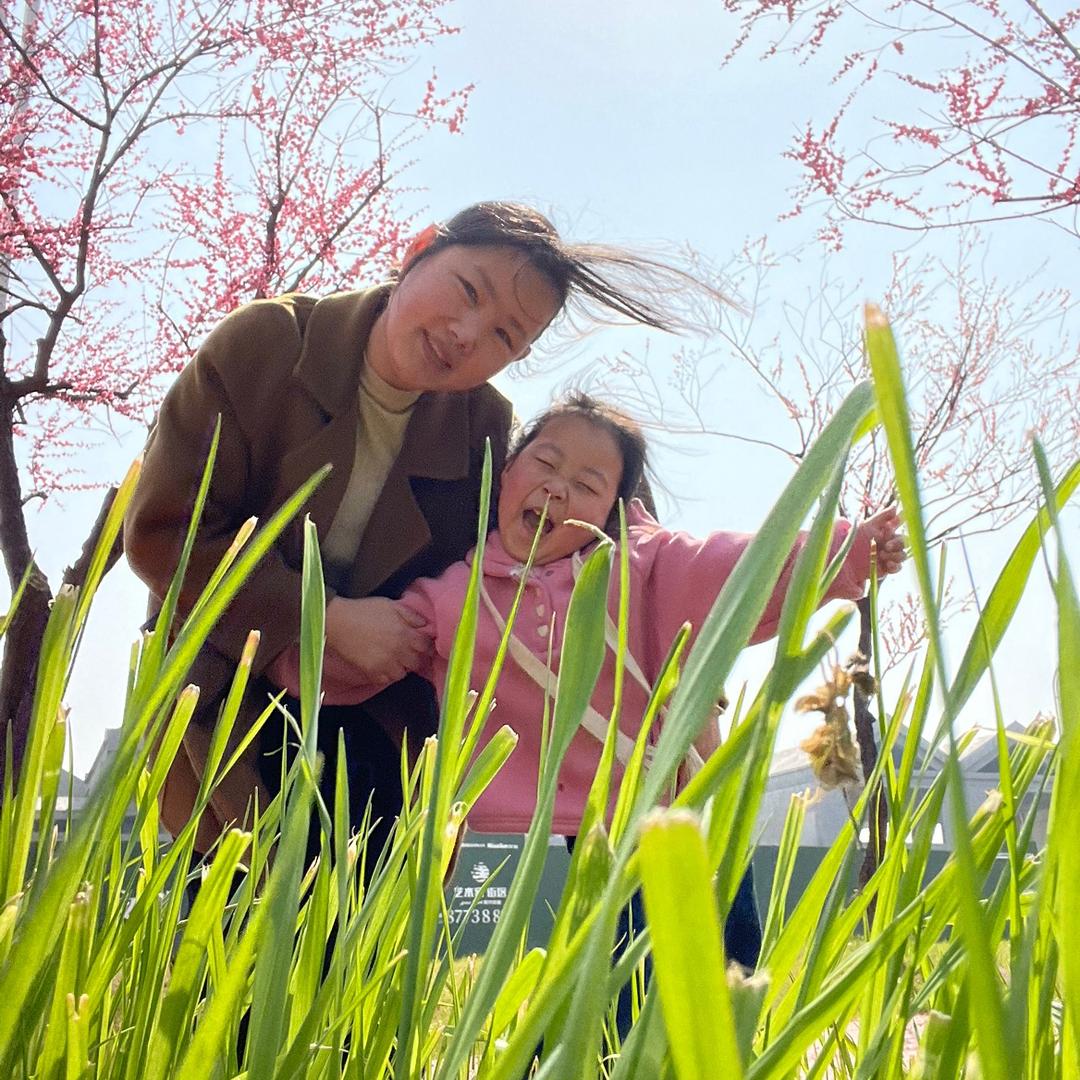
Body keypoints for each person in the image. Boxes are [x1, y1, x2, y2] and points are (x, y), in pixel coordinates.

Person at [268, 393, 905, 1012]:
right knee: (540, 1018)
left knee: (694, 1009)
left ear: (611, 513)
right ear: (506, 473)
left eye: (590, 483)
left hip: (647, 825)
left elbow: (736, 566)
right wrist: (279, 650)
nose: (558, 488)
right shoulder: (450, 595)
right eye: (544, 463)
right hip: (511, 842)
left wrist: (844, 549)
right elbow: (364, 652)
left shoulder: (642, 568)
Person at [124, 203, 712, 858]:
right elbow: (165, 533)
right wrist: (324, 618)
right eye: (467, 291)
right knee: (234, 915)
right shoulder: (268, 344)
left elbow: (559, 536)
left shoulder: (484, 429)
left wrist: (675, 656)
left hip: (374, 720)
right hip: (228, 686)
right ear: (420, 247)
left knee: (358, 928)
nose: (466, 335)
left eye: (504, 338)